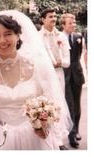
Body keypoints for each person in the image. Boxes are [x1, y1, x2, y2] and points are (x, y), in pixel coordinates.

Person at [0, 10, 72, 150]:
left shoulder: (37, 66)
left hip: (35, 138)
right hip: (0, 138)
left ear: (18, 35)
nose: (2, 40)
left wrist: (45, 124)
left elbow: (54, 103)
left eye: (8, 34)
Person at [39, 9, 71, 150]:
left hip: (58, 74)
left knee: (58, 105)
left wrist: (58, 63)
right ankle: (48, 138)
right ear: (43, 19)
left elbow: (67, 61)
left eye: (54, 16)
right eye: (50, 17)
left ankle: (59, 141)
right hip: (43, 75)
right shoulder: (37, 36)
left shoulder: (61, 36)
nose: (53, 19)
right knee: (45, 106)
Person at [60, 13, 85, 149]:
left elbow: (79, 55)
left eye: (74, 22)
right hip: (65, 76)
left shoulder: (78, 37)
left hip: (77, 74)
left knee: (77, 105)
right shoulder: (59, 37)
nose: (73, 25)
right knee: (69, 105)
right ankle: (72, 134)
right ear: (63, 25)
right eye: (70, 23)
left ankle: (77, 129)